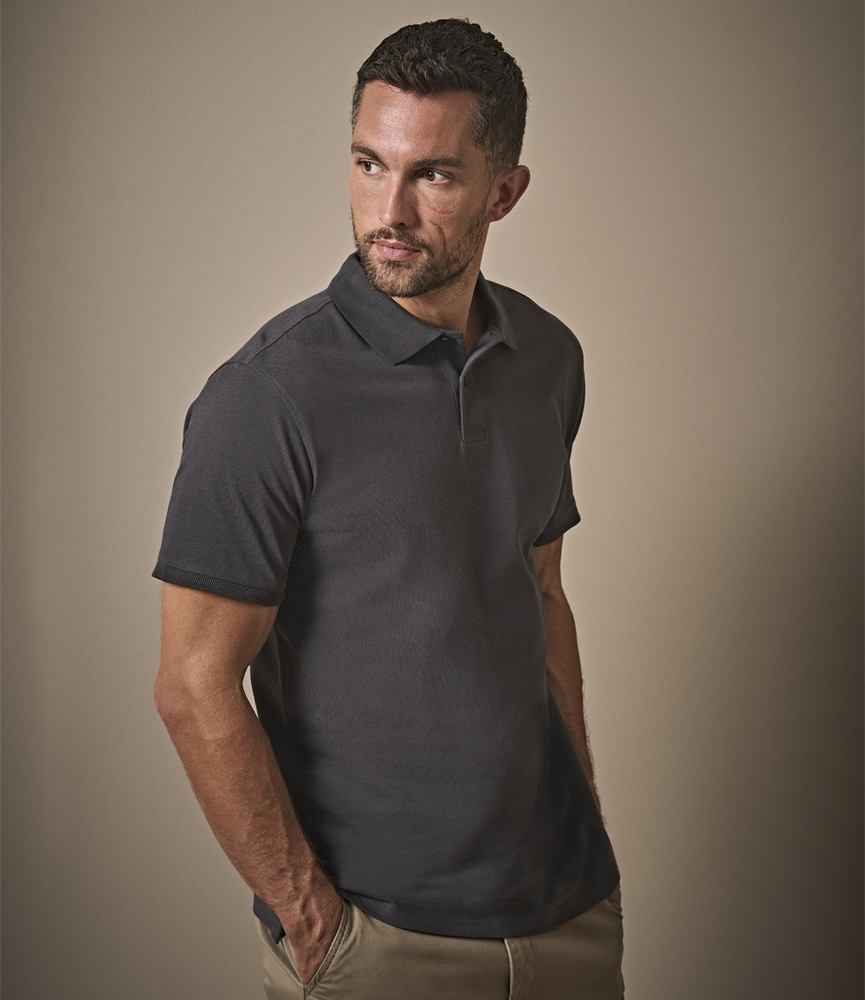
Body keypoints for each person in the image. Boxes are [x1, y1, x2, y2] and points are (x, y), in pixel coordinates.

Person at [153, 18, 623, 1000]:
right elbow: (195, 684)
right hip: (380, 939)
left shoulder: (548, 358)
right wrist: (312, 920)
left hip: (567, 915)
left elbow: (541, 592)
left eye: (433, 176)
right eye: (370, 164)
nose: (389, 210)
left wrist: (582, 804)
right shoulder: (266, 398)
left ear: (504, 192)